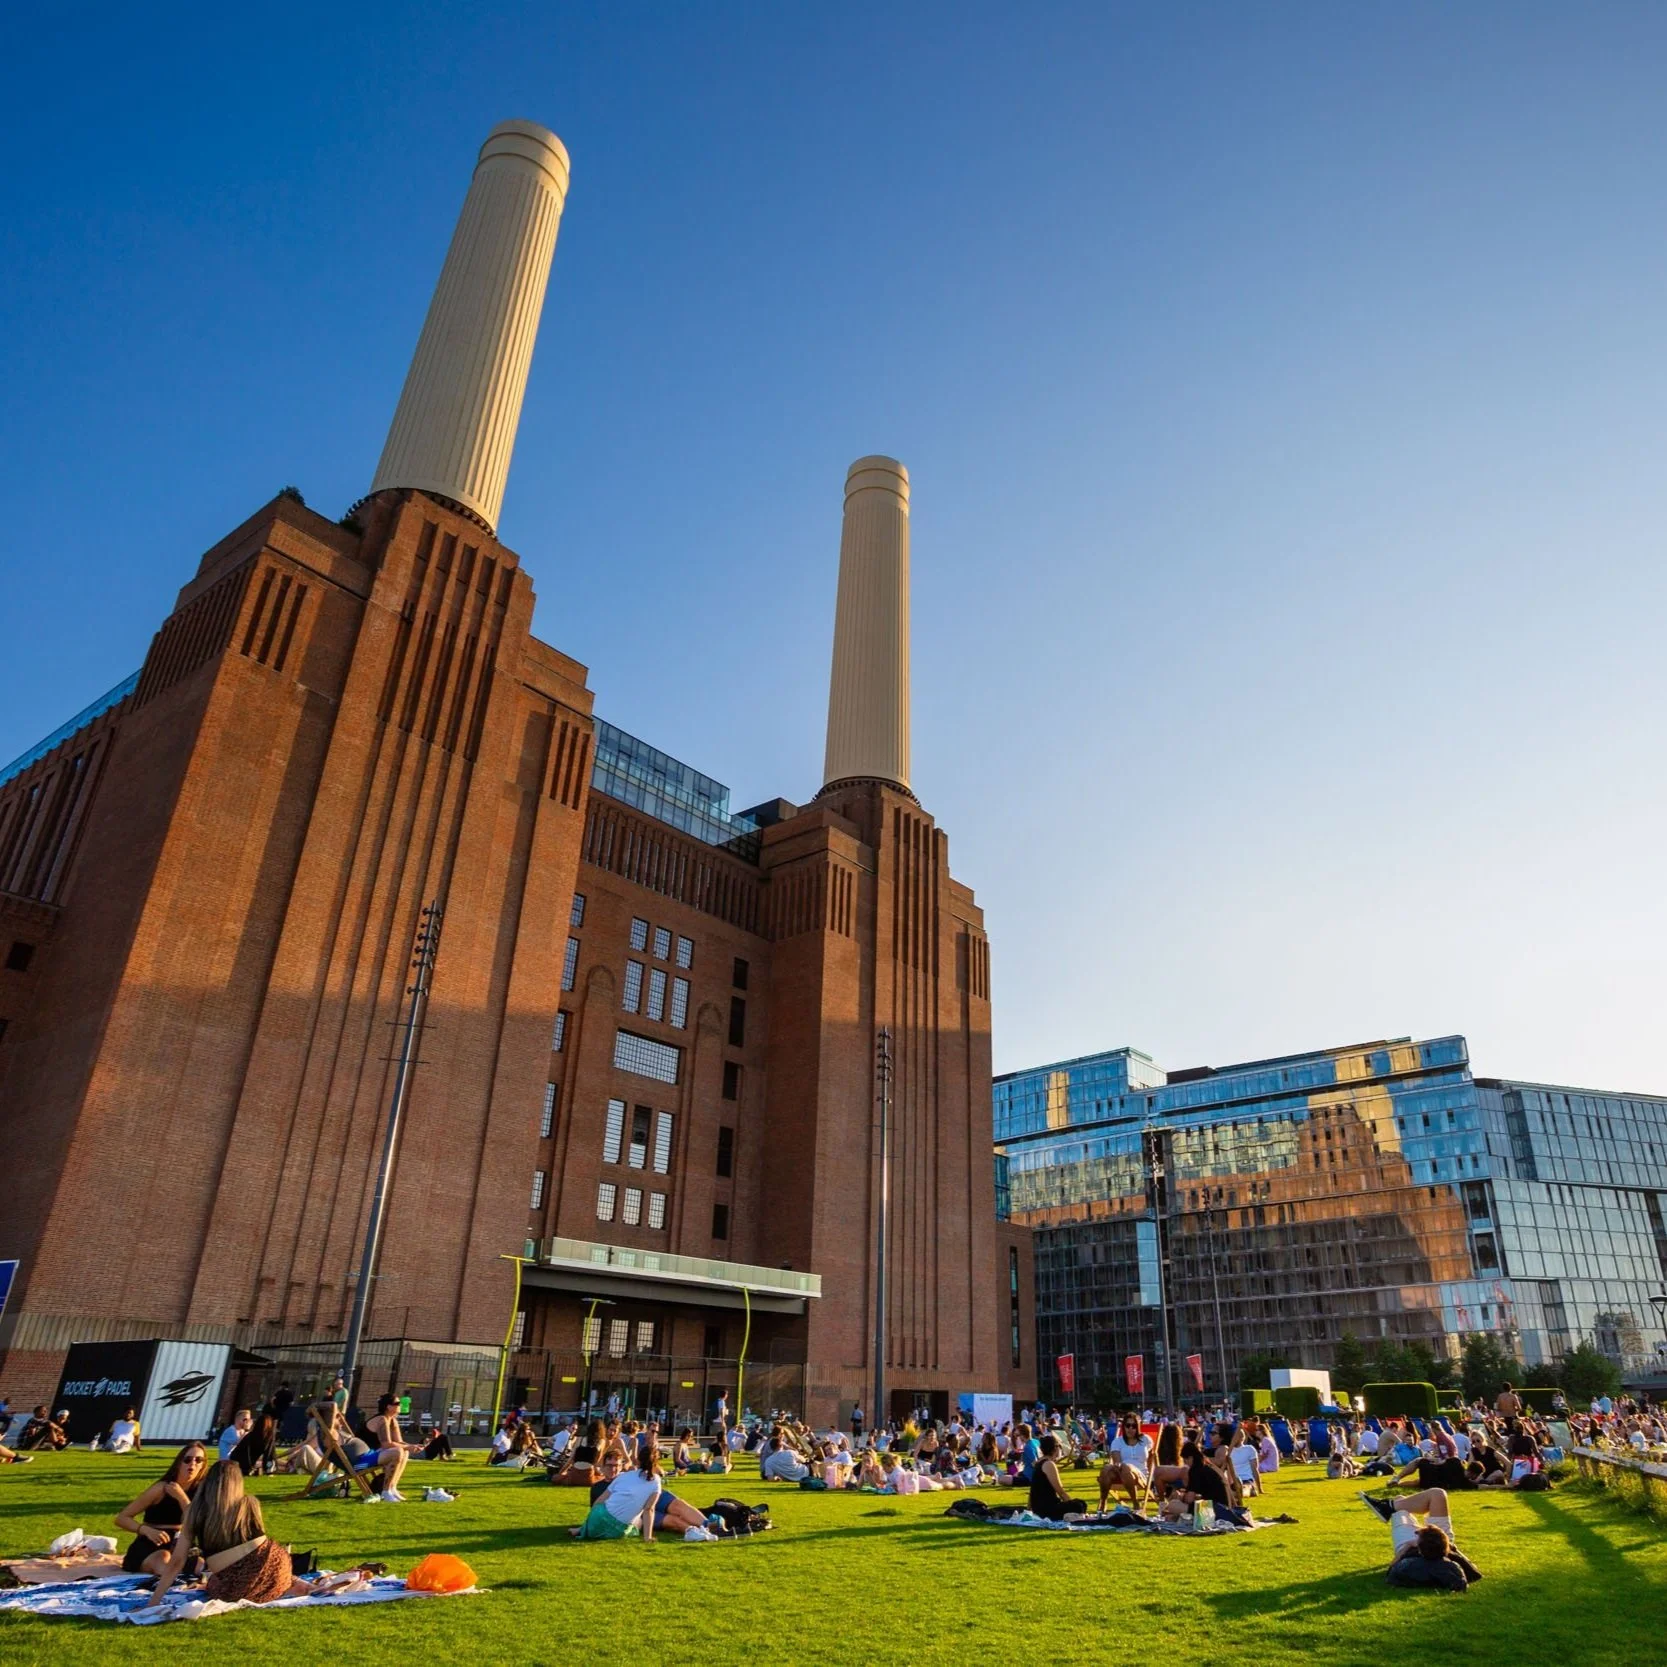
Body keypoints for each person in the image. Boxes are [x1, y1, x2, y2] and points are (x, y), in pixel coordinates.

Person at [147, 1460, 325, 1606]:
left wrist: (154, 1601)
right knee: (268, 1573)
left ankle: (284, 1584)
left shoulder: (196, 1511)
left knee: (214, 1584)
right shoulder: (249, 1503)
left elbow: (177, 1561)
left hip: (239, 1583)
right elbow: (261, 1544)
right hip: (276, 1565)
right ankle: (292, 1584)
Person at [578, 1443, 713, 1541]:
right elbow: (597, 1508)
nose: (613, 1469)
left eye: (617, 1465)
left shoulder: (625, 1477)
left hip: (648, 1502)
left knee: (678, 1505)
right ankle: (694, 1531)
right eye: (610, 1466)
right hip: (637, 1515)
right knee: (673, 1520)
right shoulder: (600, 1486)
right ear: (602, 1466)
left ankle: (709, 1526)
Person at [116, 1442, 208, 1576]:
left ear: (203, 1465)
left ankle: (180, 1581)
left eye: (198, 1460)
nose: (192, 1464)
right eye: (187, 1460)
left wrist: (181, 1497)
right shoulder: (161, 1488)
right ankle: (172, 1582)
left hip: (180, 1542)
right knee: (163, 1559)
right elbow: (122, 1518)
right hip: (152, 1542)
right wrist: (145, 1530)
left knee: (200, 1565)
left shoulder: (201, 1490)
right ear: (179, 1463)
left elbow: (197, 1522)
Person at [1386, 1523, 1483, 1591]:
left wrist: (1407, 1547)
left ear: (1420, 1546)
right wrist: (1455, 1550)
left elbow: (1391, 1569)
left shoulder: (1409, 1560)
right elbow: (1474, 1573)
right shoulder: (1452, 1563)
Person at [1098, 1413, 1154, 1511]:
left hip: (1141, 1474)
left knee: (1126, 1466)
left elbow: (1152, 1458)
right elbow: (1117, 1460)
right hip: (1121, 1472)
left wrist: (1152, 1475)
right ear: (1124, 1426)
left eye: (1134, 1426)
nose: (1130, 1429)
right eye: (1128, 1425)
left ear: (1138, 1427)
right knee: (1107, 1468)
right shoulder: (1117, 1441)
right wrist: (1117, 1465)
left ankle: (1135, 1503)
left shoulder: (1146, 1439)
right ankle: (1103, 1501)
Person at [1028, 1434, 1088, 1521]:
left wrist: (1029, 1508)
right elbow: (1060, 1491)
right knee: (1080, 1505)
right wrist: (1070, 1504)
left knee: (1078, 1504)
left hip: (1038, 1507)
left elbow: (1032, 1490)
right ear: (1055, 1449)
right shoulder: (1049, 1464)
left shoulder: (1039, 1463)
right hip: (1047, 1508)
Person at [550, 1418, 603, 1486]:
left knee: (556, 1478)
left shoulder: (580, 1439)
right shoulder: (601, 1441)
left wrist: (560, 1473)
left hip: (574, 1475)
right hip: (588, 1476)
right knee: (604, 1478)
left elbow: (571, 1460)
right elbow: (596, 1463)